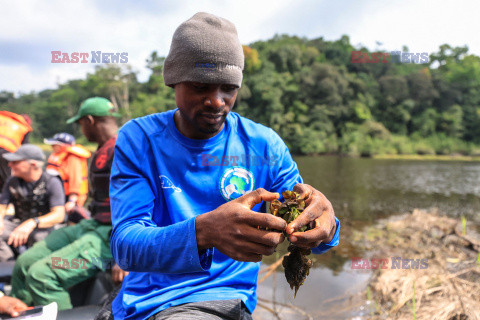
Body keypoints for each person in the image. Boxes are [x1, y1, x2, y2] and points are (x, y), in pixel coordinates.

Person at [109, 12, 340, 320]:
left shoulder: (263, 145)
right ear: (173, 80)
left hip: (220, 301)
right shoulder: (139, 138)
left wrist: (327, 226)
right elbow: (125, 246)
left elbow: (309, 220)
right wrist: (204, 232)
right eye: (201, 86)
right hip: (146, 300)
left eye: (228, 88)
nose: (217, 101)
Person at [10, 97, 128, 310]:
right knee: (25, 263)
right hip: (93, 224)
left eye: (81, 124)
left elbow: (147, 201)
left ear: (90, 120)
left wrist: (127, 254)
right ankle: (22, 311)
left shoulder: (124, 149)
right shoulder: (102, 148)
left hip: (114, 233)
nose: (81, 130)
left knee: (42, 275)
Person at [0, 144, 65, 261]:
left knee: (40, 239)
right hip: (17, 223)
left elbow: (59, 215)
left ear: (33, 164)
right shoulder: (12, 181)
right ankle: (8, 264)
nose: (10, 165)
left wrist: (32, 223)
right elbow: (2, 206)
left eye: (15, 162)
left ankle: (33, 267)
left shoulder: (52, 182)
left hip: (42, 227)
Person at [44, 132, 91, 221]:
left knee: (71, 219)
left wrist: (72, 200)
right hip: (60, 194)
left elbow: (75, 179)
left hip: (70, 197)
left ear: (63, 146)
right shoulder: (57, 155)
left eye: (55, 144)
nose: (52, 147)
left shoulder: (73, 158)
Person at [0, 111, 33, 190]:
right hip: (6, 153)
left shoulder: (3, 118)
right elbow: (25, 148)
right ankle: (7, 198)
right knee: (6, 179)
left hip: (4, 151)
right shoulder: (23, 127)